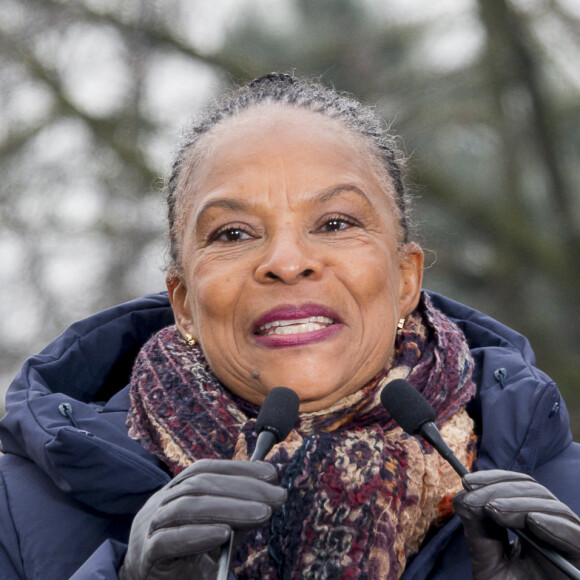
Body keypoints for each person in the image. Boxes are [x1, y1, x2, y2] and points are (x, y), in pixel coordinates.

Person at [0, 72, 579, 580]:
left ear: (405, 279)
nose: (286, 260)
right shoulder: (16, 511)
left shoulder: (562, 501)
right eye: (232, 233)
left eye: (334, 222)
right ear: (182, 301)